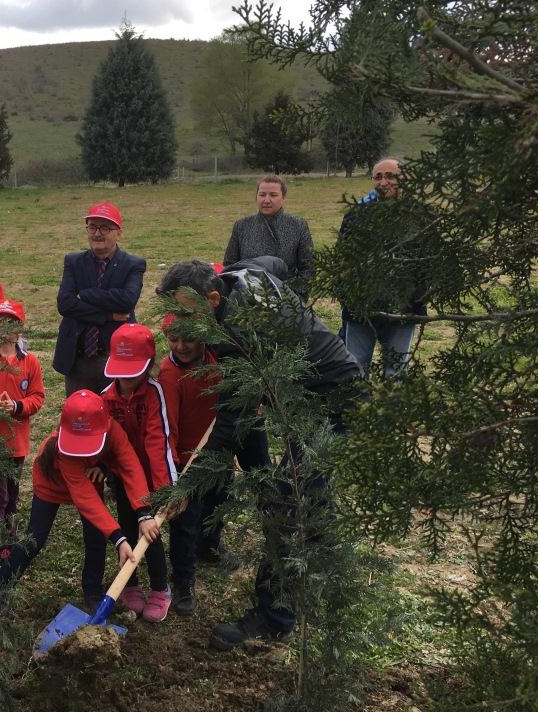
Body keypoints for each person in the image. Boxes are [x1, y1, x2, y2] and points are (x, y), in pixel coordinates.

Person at [157, 256, 362, 650]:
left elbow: (232, 418)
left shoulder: (235, 332)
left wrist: (190, 481)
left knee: (289, 500)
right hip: (302, 395)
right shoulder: (239, 275)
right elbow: (273, 262)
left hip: (333, 399)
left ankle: (274, 617)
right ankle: (319, 563)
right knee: (309, 493)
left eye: (184, 311)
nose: (179, 323)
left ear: (214, 299)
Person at [0, 390, 158, 613]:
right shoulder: (61, 450)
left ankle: (93, 592)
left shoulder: (114, 432)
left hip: (89, 476)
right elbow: (85, 498)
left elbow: (131, 467)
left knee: (96, 538)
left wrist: (144, 512)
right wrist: (119, 538)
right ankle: (0, 587)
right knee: (34, 538)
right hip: (52, 482)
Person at [100, 323, 176, 623]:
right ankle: (130, 583)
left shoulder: (154, 394)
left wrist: (164, 489)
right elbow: (103, 441)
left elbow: (159, 441)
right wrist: (101, 467)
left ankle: (160, 588)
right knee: (128, 528)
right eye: (122, 370)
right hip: (122, 475)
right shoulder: (106, 399)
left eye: (134, 371)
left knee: (151, 534)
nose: (127, 379)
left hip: (151, 475)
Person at [337, 157, 425, 376]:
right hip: (361, 309)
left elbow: (428, 264)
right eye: (378, 177)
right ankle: (355, 409)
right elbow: (341, 261)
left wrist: (416, 300)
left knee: (395, 371)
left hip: (403, 309)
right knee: (355, 368)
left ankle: (392, 409)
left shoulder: (419, 215)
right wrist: (348, 297)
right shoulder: (356, 215)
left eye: (390, 176)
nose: (383, 182)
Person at [157, 313, 220, 616]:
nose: (181, 346)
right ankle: (183, 580)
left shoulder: (215, 361)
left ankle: (209, 546)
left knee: (218, 501)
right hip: (185, 459)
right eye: (173, 339)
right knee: (185, 521)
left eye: (189, 339)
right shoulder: (170, 375)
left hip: (215, 453)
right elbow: (168, 427)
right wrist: (176, 474)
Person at [53, 202, 145, 395]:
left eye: (105, 227)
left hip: (115, 358)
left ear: (119, 232)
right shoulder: (73, 261)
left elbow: (128, 300)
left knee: (115, 417)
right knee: (81, 414)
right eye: (93, 226)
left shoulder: (133, 264)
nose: (97, 233)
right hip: (78, 360)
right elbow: (66, 304)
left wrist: (85, 294)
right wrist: (108, 316)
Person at [0, 299, 45, 524]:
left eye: (10, 323)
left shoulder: (30, 362)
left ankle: (8, 535)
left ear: (19, 328)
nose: (4, 328)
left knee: (11, 491)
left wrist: (18, 406)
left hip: (17, 443)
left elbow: (37, 397)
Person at [223, 175, 315, 300]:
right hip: (247, 298)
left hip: (286, 298)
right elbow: (229, 265)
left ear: (283, 197)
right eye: (262, 195)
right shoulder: (242, 225)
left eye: (273, 195)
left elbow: (308, 268)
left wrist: (296, 298)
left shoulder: (298, 225)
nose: (266, 200)